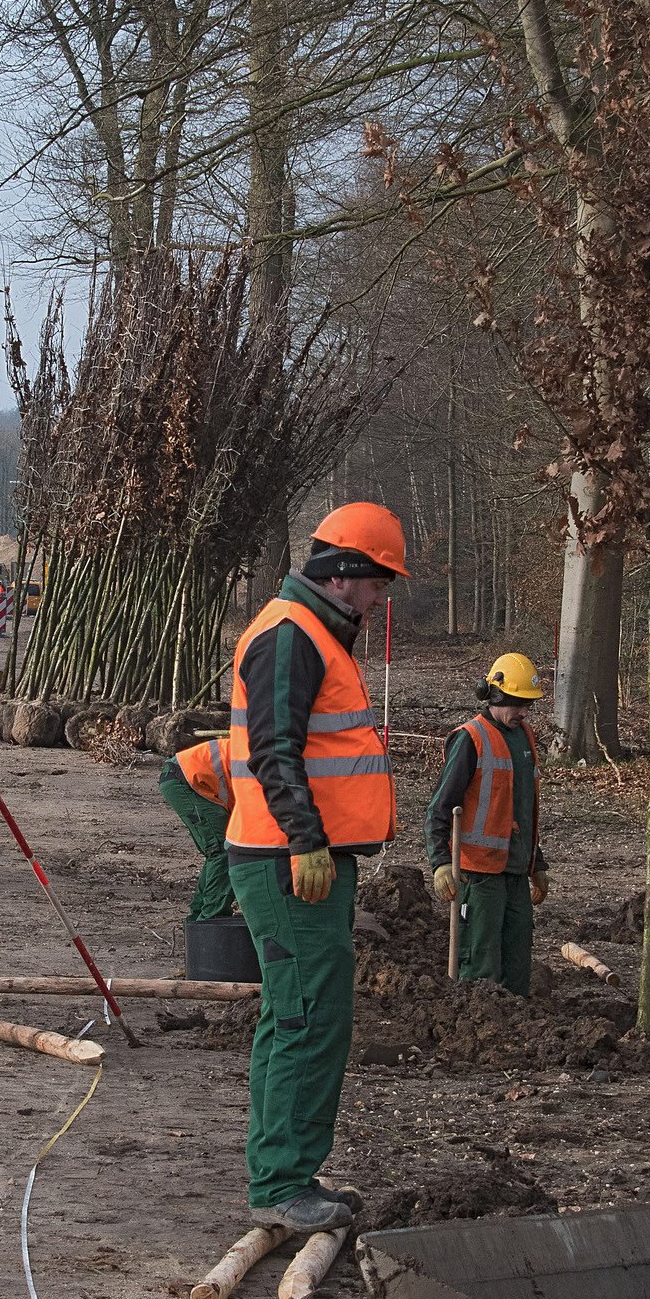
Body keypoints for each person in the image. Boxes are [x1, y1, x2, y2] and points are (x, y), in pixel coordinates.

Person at [226, 501, 406, 1236]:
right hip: (288, 858)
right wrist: (305, 840)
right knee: (307, 1016)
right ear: (342, 575)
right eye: (377, 583)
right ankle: (281, 1183)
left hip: (302, 857)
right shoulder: (290, 635)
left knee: (296, 1013)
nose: (380, 598)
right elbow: (275, 749)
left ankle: (287, 1172)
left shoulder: (310, 634)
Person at [427, 653, 550, 997]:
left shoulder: (524, 737)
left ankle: (516, 1022)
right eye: (516, 703)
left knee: (517, 963)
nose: (523, 711)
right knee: (480, 966)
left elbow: (521, 808)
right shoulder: (470, 739)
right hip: (479, 876)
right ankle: (477, 1023)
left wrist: (536, 862)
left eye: (528, 704)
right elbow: (439, 808)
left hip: (516, 870)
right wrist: (440, 863)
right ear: (493, 695)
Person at [159, 726, 238, 921]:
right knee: (224, 850)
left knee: (220, 850)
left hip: (187, 776)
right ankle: (211, 919)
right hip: (187, 779)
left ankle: (199, 916)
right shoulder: (267, 764)